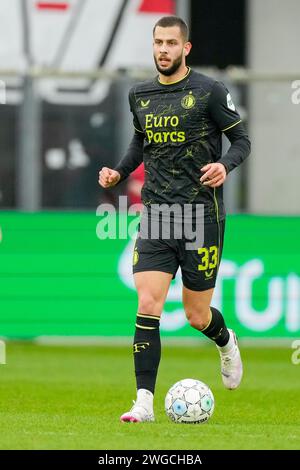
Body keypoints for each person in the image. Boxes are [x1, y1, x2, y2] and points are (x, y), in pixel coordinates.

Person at [98, 16, 251, 423]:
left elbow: (242, 140)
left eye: (171, 43)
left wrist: (223, 165)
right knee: (148, 303)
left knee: (196, 315)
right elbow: (140, 142)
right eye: (158, 42)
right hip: (158, 215)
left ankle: (226, 341)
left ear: (186, 48)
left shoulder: (209, 91)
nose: (163, 49)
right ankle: (143, 402)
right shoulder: (140, 94)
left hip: (202, 216)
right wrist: (119, 171)